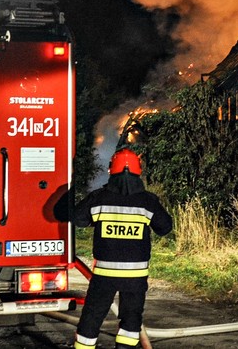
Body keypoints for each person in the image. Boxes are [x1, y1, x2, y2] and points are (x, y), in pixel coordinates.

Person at [73, 148, 173, 349]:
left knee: (92, 316)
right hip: (135, 277)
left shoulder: (99, 198)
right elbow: (165, 227)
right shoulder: (148, 201)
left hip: (104, 275)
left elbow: (78, 218)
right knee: (131, 320)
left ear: (112, 170)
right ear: (139, 171)